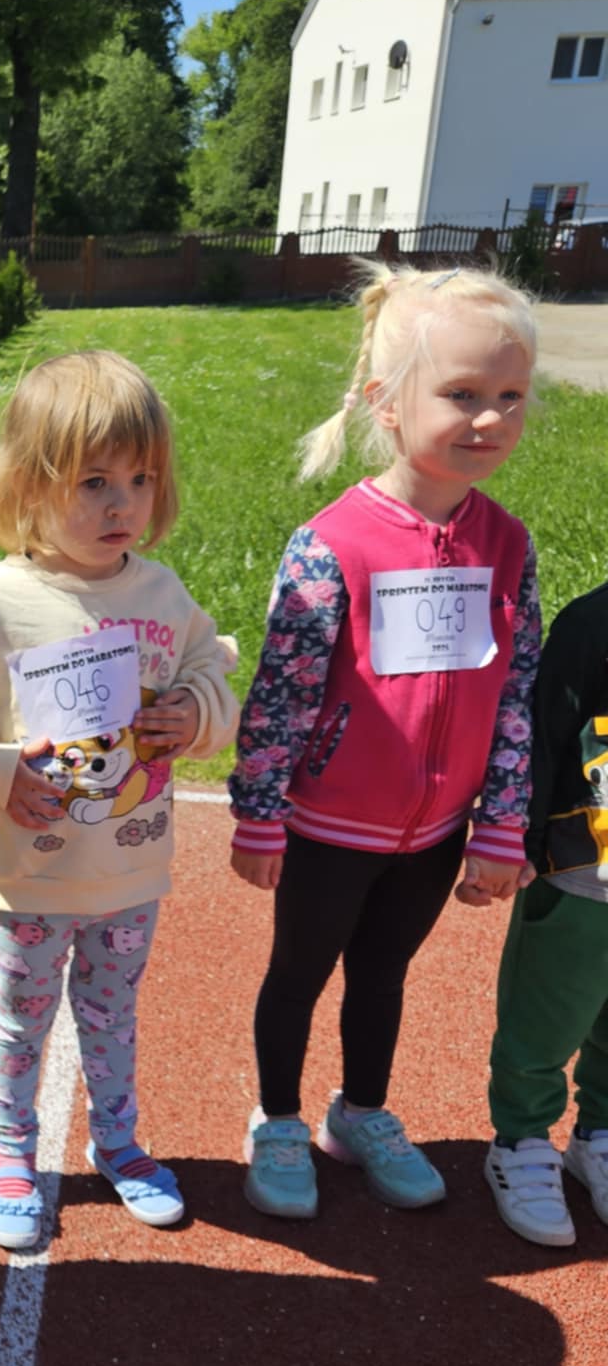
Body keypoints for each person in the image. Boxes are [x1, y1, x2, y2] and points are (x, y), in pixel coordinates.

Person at [0, 350, 238, 1247]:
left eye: (140, 479)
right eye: (94, 481)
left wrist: (197, 712)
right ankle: (13, 1153)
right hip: (28, 877)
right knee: (21, 1021)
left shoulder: (162, 594)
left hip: (128, 870)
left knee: (111, 1013)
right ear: (27, 484)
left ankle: (118, 1143)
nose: (121, 503)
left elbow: (211, 669)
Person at [230, 262, 540, 1219]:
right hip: (330, 825)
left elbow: (517, 688)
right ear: (388, 404)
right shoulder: (333, 543)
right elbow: (283, 691)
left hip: (437, 831)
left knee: (383, 975)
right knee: (299, 975)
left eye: (510, 397)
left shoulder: (508, 543)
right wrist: (260, 812)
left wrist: (502, 823)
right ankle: (278, 1119)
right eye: (462, 394)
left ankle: (359, 1112)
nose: (489, 419)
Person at [484, 578, 608, 1246]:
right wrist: (522, 841)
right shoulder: (592, 624)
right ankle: (521, 1140)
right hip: (584, 871)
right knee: (544, 1019)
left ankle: (598, 1136)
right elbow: (544, 737)